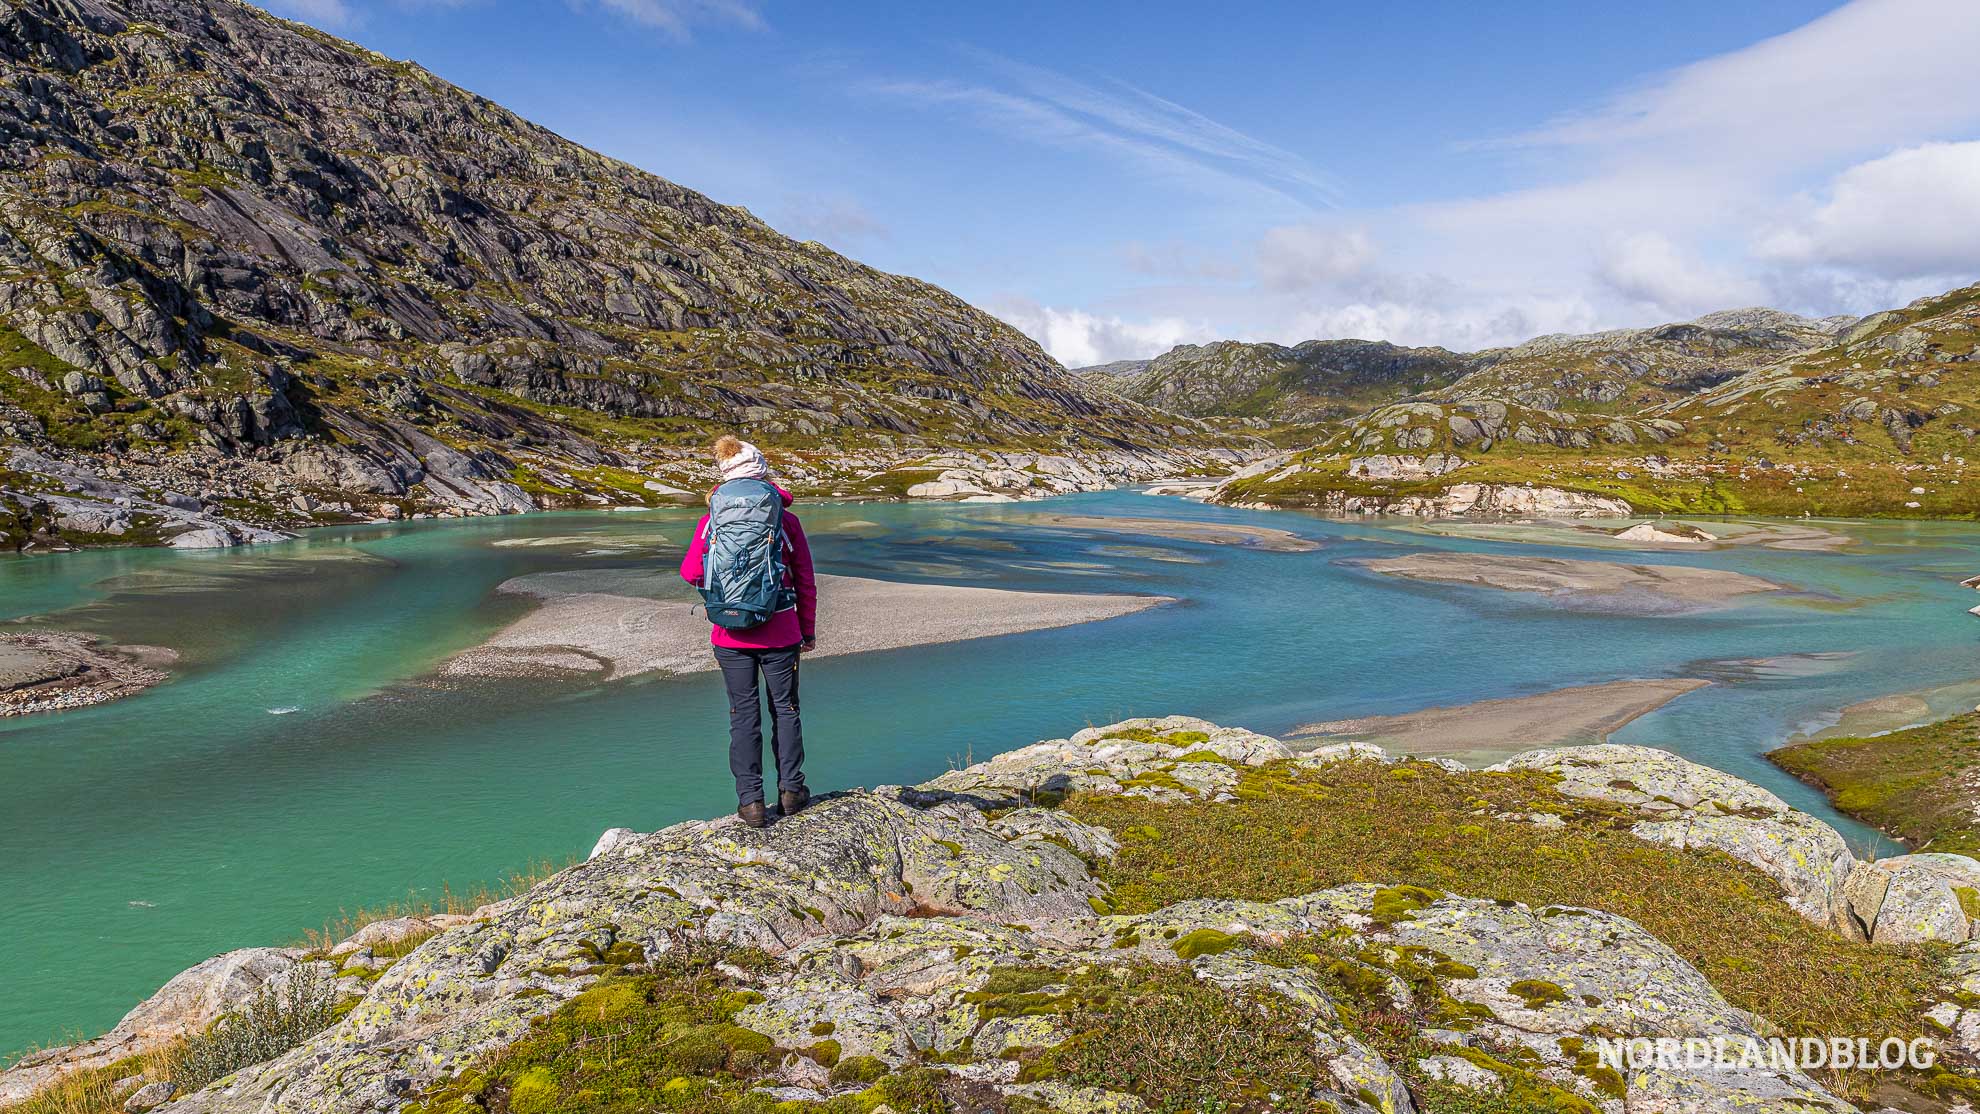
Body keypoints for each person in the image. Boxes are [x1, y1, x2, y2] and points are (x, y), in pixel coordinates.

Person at [679, 436, 817, 828]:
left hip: (730, 636)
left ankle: (751, 803)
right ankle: (791, 791)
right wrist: (806, 630)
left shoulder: (713, 519)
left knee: (743, 716)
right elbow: (805, 581)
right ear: (762, 473)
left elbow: (691, 571)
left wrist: (728, 588)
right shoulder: (785, 519)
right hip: (782, 631)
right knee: (786, 711)